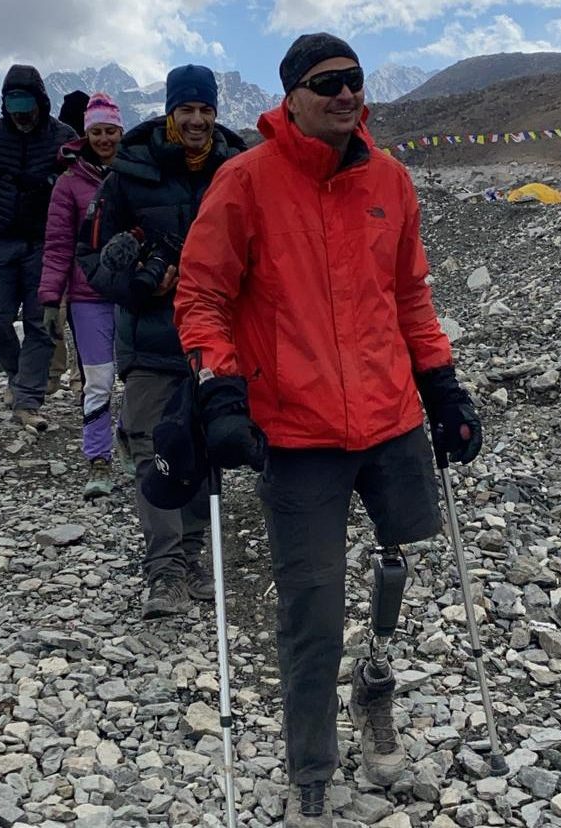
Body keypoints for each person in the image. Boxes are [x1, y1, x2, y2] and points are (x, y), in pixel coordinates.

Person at [174, 33, 483, 825]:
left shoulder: (391, 181)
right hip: (298, 433)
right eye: (327, 83)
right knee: (309, 605)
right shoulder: (245, 183)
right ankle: (310, 762)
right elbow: (203, 295)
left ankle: (373, 681)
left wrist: (442, 385)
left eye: (354, 80)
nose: (346, 94)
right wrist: (221, 391)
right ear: (291, 95)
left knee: (399, 560)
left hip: (390, 418)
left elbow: (409, 295)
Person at [78, 65, 246, 620]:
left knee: (204, 445)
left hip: (219, 340)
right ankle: (164, 569)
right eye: (186, 110)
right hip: (150, 340)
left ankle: (193, 553)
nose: (196, 120)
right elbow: (91, 262)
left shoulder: (238, 171)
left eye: (205, 110)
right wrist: (141, 283)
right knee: (154, 449)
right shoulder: (128, 174)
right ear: (170, 113)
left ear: (215, 112)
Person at [0, 65, 77, 431]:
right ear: (5, 104)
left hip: (47, 244)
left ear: (40, 102)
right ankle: (18, 374)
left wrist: (49, 182)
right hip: (2, 242)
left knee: (40, 324)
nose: (21, 112)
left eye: (26, 103)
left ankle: (28, 399)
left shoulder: (64, 137)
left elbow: (81, 185)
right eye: (13, 103)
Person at [40, 93, 124, 499]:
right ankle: (98, 458)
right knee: (99, 379)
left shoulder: (135, 174)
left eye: (110, 131)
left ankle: (135, 444)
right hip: (88, 296)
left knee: (139, 378)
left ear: (120, 131)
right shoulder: (68, 185)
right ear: (86, 134)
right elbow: (57, 245)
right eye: (97, 132)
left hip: (133, 293)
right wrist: (49, 298)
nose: (104, 138)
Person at [48, 88, 92, 399]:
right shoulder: (94, 160)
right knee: (77, 319)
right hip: (78, 250)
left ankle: (56, 375)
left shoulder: (58, 157)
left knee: (57, 314)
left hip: (60, 250)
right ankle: (80, 379)